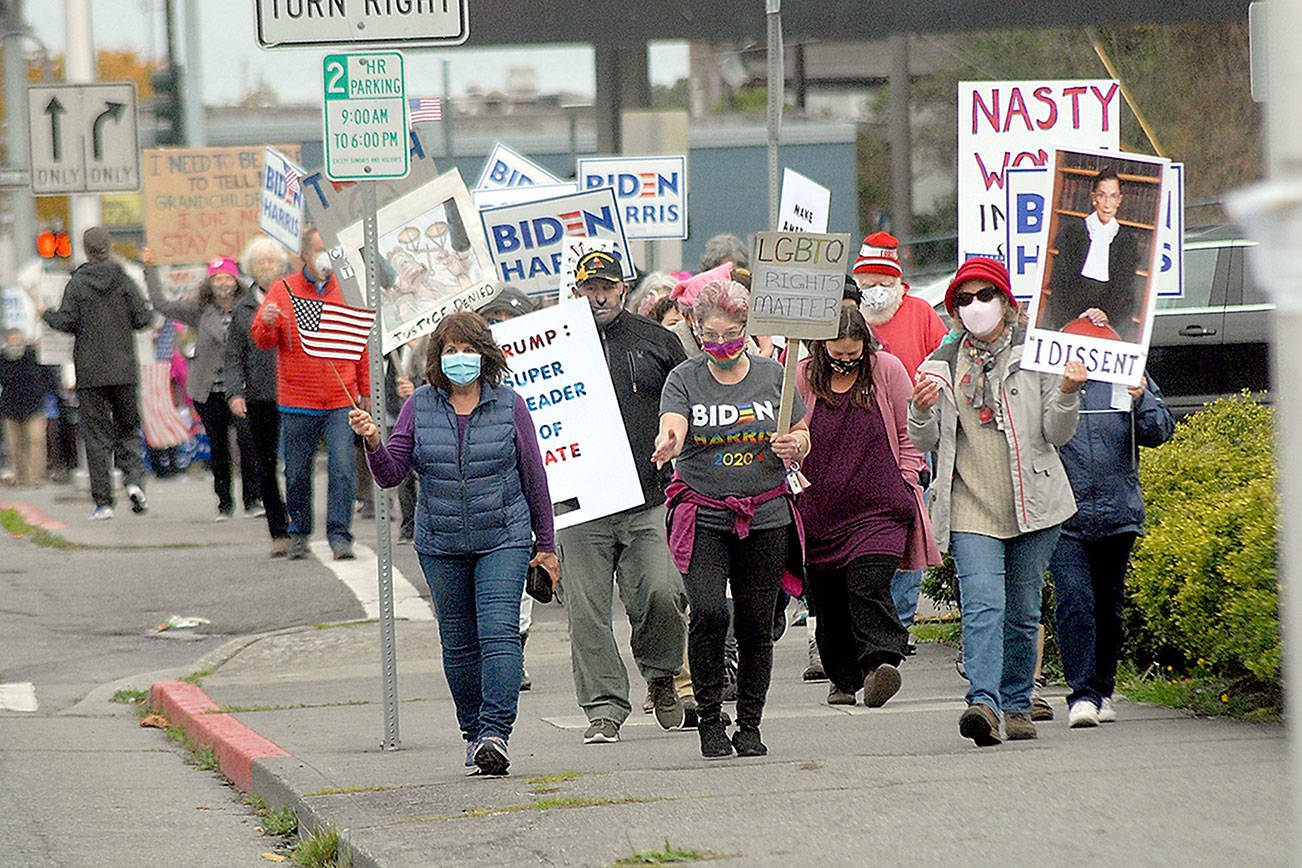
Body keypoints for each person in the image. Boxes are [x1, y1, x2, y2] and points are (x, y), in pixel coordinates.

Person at [349, 311, 558, 777]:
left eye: (467, 350)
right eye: (450, 351)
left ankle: (495, 733)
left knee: (500, 632)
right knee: (459, 643)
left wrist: (546, 544)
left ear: (484, 356)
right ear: (436, 358)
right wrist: (372, 442)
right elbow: (390, 474)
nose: (459, 359)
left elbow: (534, 477)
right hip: (441, 542)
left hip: (503, 537)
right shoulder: (419, 406)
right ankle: (472, 734)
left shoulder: (510, 405)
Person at [908, 257, 1085, 746]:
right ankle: (982, 704)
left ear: (1007, 303)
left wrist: (1068, 392)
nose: (975, 307)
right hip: (970, 503)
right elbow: (924, 440)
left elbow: (1057, 431)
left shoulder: (1039, 354)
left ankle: (1017, 701)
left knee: (1024, 609)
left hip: (1035, 503)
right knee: (983, 605)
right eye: (964, 299)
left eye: (985, 296)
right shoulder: (940, 364)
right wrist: (920, 409)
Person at [653, 277, 810, 759]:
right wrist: (670, 441)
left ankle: (750, 722)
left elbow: (801, 432)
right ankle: (709, 718)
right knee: (709, 611)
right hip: (705, 512)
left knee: (756, 621)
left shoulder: (772, 377)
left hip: (765, 512)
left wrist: (796, 445)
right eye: (710, 335)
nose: (720, 344)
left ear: (747, 328)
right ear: (696, 330)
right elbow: (674, 422)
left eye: (730, 334)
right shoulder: (684, 378)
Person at [560, 249, 690, 744]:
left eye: (607, 286)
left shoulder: (657, 342)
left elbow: (689, 400)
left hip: (646, 496)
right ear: (576, 290)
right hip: (580, 505)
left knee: (662, 590)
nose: (599, 295)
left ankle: (660, 674)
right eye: (590, 287)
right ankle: (604, 709)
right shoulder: (554, 346)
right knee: (586, 612)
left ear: (623, 287)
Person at [795, 308, 941, 707]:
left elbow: (908, 429)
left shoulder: (887, 369)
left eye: (853, 353)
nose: (846, 360)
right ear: (821, 347)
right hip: (820, 509)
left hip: (878, 506)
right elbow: (789, 427)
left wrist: (908, 476)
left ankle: (881, 662)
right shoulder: (804, 373)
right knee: (827, 598)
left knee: (868, 582)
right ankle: (843, 679)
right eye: (837, 354)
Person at [1051, 373, 1174, 727]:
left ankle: (1103, 688)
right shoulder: (1047, 369)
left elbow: (1160, 431)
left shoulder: (1127, 368)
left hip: (1118, 511)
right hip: (1063, 512)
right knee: (1073, 601)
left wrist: (1142, 399)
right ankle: (1082, 695)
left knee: (1108, 605)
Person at [852, 231, 950, 638]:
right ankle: (870, 619)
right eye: (867, 284)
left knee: (910, 524)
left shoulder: (921, 312)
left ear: (897, 283)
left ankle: (902, 622)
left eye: (881, 284)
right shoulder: (851, 319)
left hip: (912, 434)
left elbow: (944, 360)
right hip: (860, 436)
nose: (874, 292)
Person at [251, 227, 369, 561]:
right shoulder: (283, 289)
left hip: (339, 398)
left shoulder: (346, 290)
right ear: (303, 253)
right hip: (298, 400)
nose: (325, 256)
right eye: (319, 249)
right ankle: (299, 531)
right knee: (297, 472)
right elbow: (262, 339)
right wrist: (268, 322)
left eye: (330, 249)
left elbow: (361, 342)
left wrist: (366, 390)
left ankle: (340, 535)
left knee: (343, 470)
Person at [41, 226, 153, 520]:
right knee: (129, 429)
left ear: (86, 249)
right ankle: (133, 483)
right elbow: (143, 318)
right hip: (124, 370)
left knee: (96, 437)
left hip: (90, 373)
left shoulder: (76, 283)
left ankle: (103, 502)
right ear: (109, 247)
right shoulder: (124, 279)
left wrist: (46, 314)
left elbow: (66, 322)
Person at [144, 250, 259, 520]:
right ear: (209, 283)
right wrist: (150, 269)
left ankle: (253, 500)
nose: (223, 283)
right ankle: (224, 503)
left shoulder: (249, 306)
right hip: (209, 390)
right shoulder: (199, 309)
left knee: (247, 443)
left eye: (227, 277)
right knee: (218, 447)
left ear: (236, 280)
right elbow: (161, 304)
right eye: (217, 278)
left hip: (242, 389)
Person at [225, 235, 291, 556]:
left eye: (271, 261)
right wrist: (235, 393)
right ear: (252, 267)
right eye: (261, 262)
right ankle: (278, 530)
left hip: (295, 393)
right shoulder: (243, 308)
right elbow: (234, 355)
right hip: (259, 396)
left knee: (295, 463)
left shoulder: (293, 298)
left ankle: (298, 521)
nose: (267, 267)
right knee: (264, 465)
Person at [1044, 169, 1141, 341]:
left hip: (1108, 323)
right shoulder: (1072, 233)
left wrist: (1105, 315)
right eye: (1102, 195)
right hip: (1070, 316)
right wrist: (1073, 319)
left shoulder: (1127, 242)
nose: (1107, 203)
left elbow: (1125, 292)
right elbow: (1059, 283)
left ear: (1119, 200)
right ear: (1093, 198)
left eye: (1113, 196)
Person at [0, 329, 56, 486]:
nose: (15, 346)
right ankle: (20, 475)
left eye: (18, 342)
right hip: (11, 408)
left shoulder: (33, 356)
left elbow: (48, 377)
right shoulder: (2, 359)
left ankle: (35, 477)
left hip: (35, 406)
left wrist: (44, 393)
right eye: (12, 342)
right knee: (15, 445)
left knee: (36, 440)